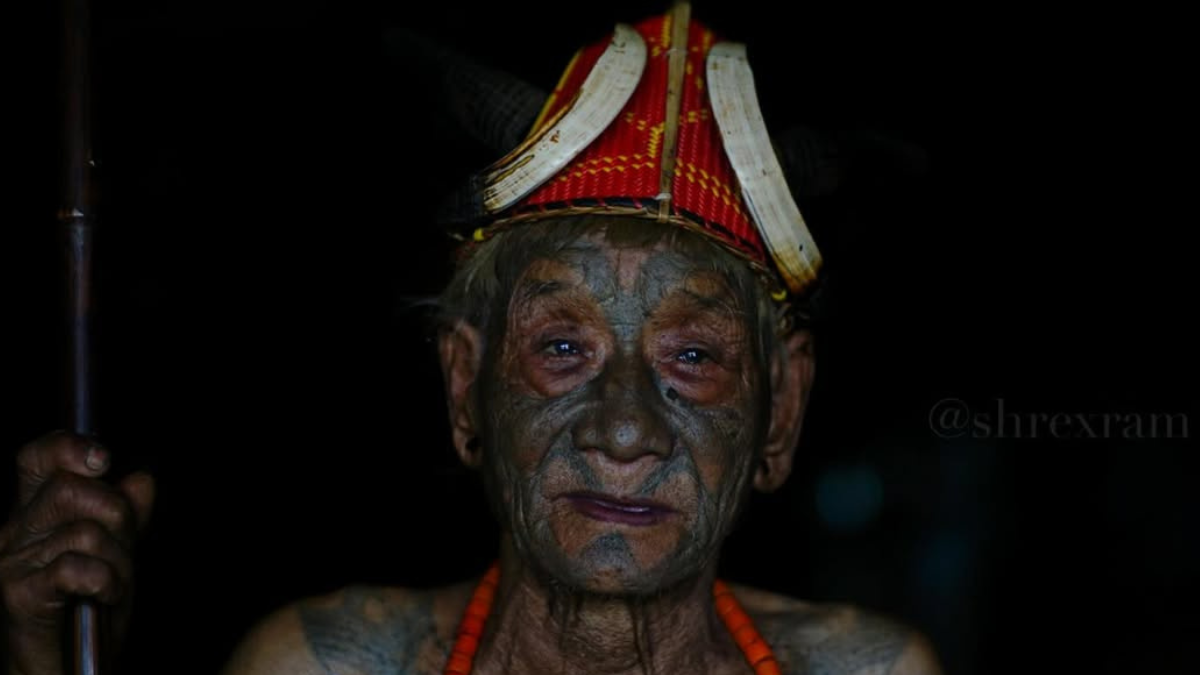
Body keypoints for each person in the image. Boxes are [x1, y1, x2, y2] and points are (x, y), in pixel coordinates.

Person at [2, 4, 942, 674]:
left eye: (692, 358)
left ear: (781, 411)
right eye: (562, 348)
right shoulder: (329, 666)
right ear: (465, 384)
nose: (623, 431)